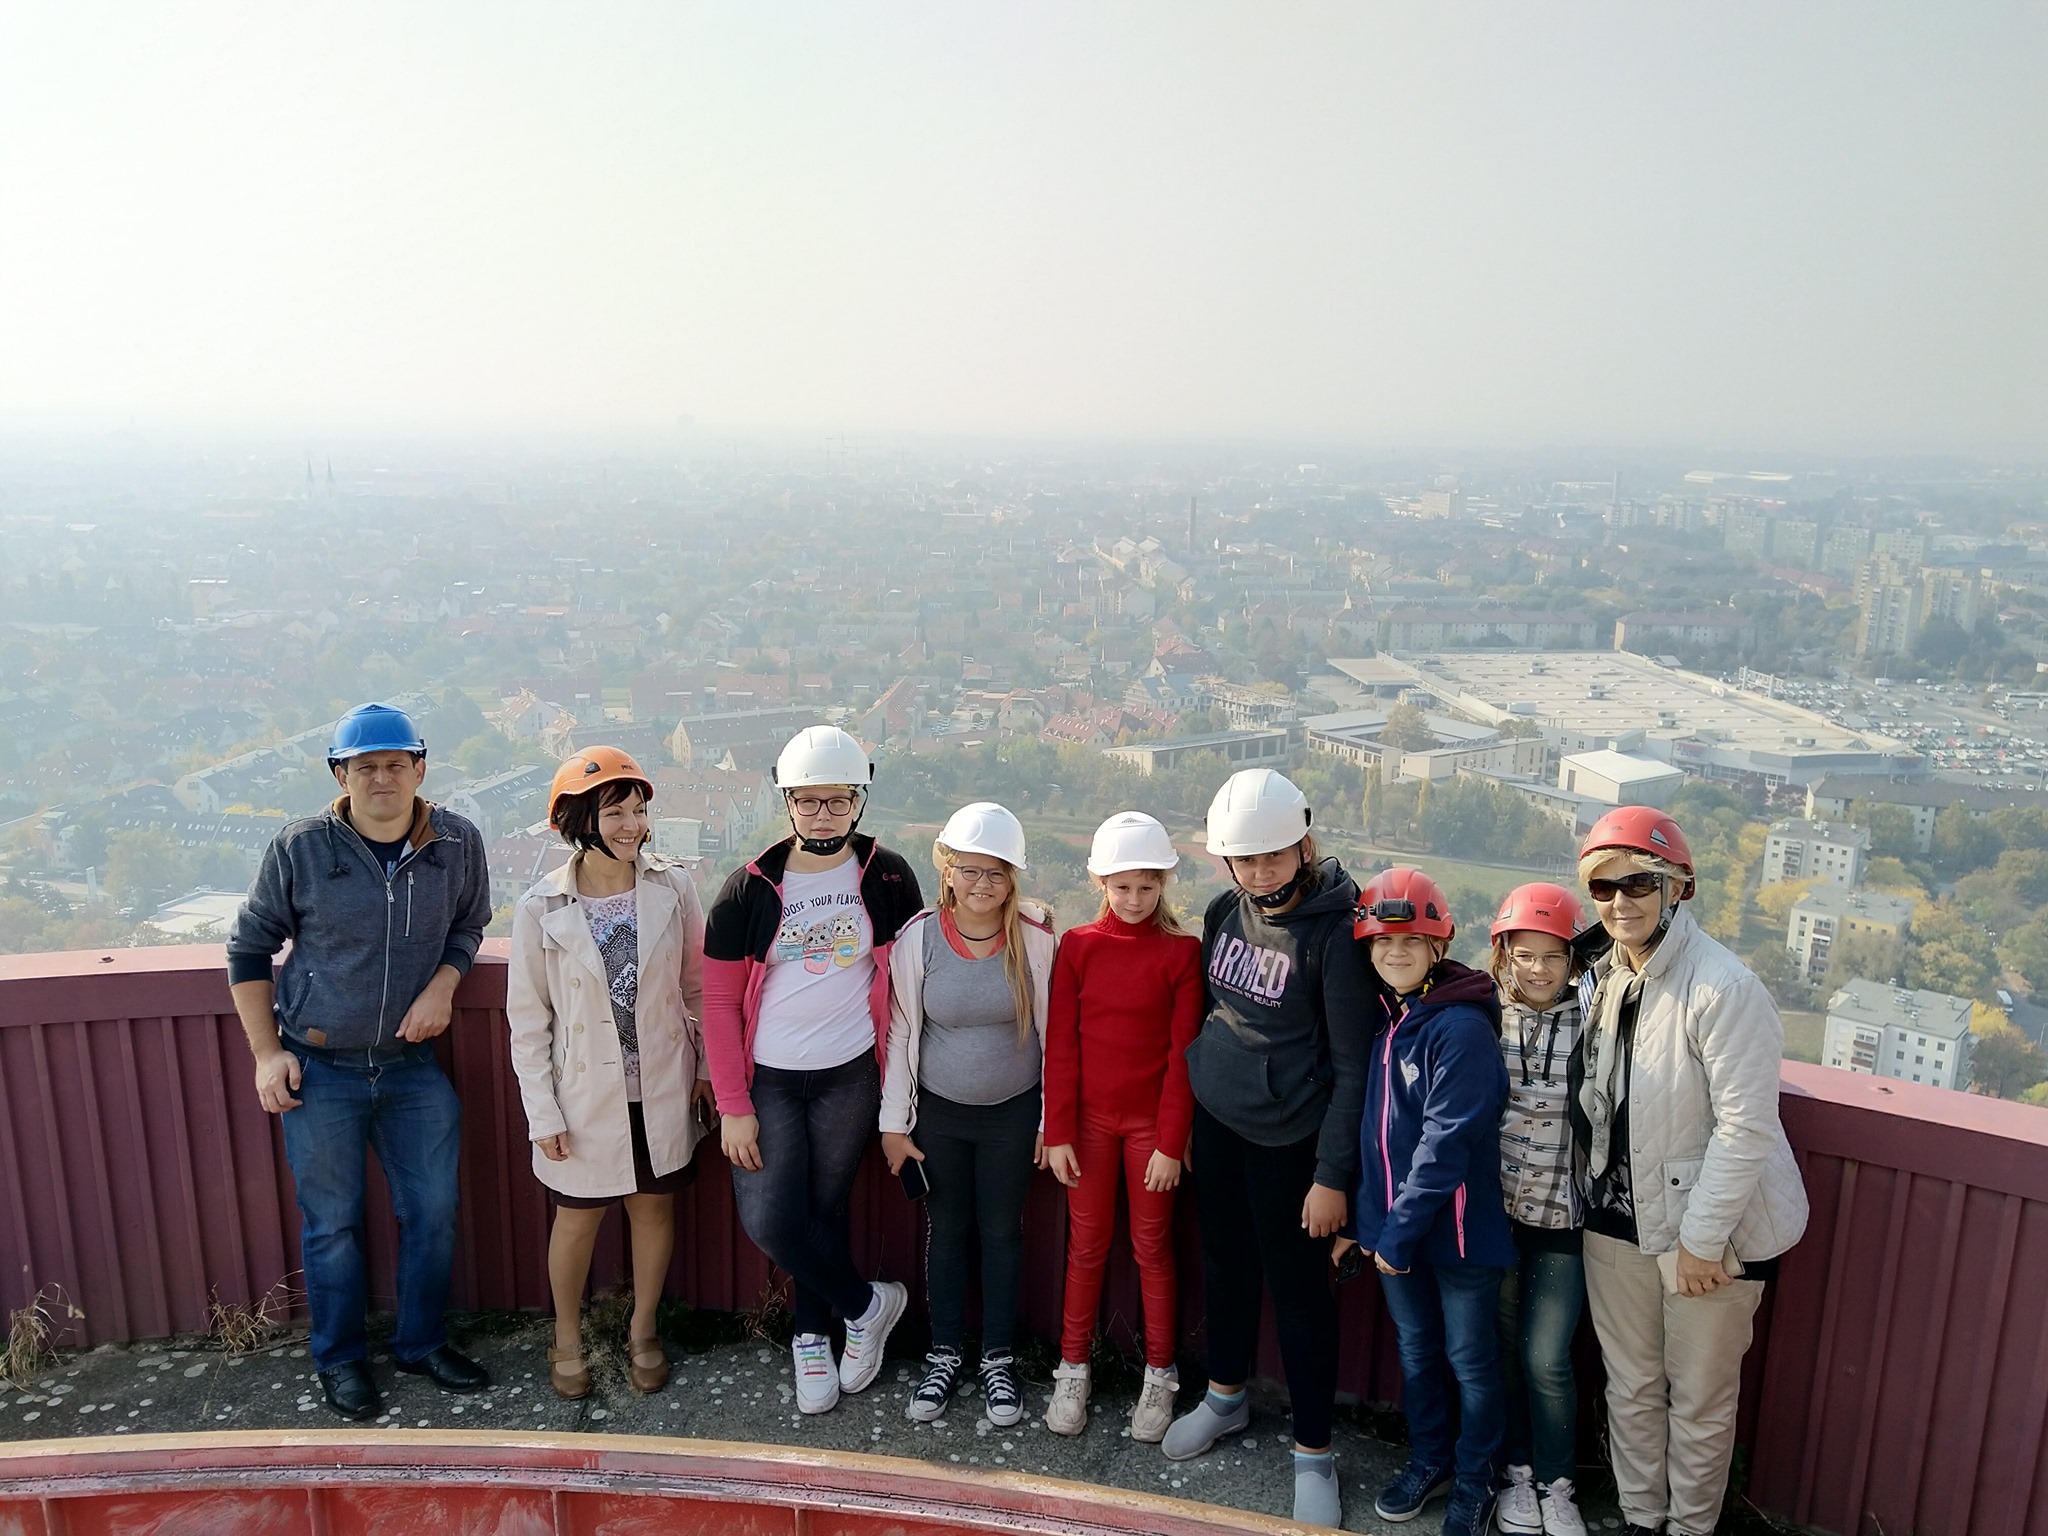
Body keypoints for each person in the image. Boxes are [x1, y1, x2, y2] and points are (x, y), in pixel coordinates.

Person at [225, 702, 493, 1421]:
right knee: (333, 1225)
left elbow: (470, 925)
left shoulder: (456, 843)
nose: (382, 778)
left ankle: (420, 1343)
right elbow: (248, 949)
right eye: (365, 766)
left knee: (433, 1212)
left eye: (395, 764)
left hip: (410, 1065)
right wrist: (266, 1054)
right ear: (340, 775)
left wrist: (444, 984)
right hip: (320, 1068)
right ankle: (340, 1361)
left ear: (419, 769)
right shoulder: (302, 848)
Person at [1571, 808, 1809, 1536]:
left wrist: (1702, 1241)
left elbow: (1746, 1128)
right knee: (1631, 1386)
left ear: (1677, 887)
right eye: (1603, 886)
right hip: (1616, 1218)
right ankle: (1642, 1518)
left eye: (1639, 883)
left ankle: (1690, 1528)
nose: (1620, 901)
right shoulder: (1604, 975)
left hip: (1707, 1234)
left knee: (1700, 1399)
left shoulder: (1725, 988)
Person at [1161, 768, 1372, 1530]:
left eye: (1273, 856)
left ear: (1305, 846)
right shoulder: (1226, 910)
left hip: (1291, 1140)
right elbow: (1216, 1014)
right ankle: (1225, 1397)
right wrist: (1193, 1117)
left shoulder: (1337, 936)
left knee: (1299, 1295)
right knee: (1224, 1265)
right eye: (1244, 859)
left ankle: (1314, 1453)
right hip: (1221, 1122)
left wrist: (1333, 1176)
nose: (1258, 872)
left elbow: (1353, 1067)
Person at [701, 726, 924, 1415]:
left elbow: (920, 960)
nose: (823, 814)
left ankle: (810, 1337)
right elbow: (717, 1004)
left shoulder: (888, 876)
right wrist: (733, 1105)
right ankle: (867, 1306)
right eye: (808, 800)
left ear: (858, 801)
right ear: (788, 802)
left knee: (821, 1212)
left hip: (848, 1075)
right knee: (772, 1219)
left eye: (837, 800)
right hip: (769, 1079)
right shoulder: (747, 889)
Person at [506, 748, 713, 1400]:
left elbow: (699, 988)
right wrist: (542, 1114)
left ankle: (643, 1331)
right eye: (616, 812)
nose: (633, 825)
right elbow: (528, 1023)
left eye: (639, 810)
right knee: (577, 1219)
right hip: (582, 1095)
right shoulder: (540, 906)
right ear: (579, 821)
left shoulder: (673, 887)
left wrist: (708, 1070)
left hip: (662, 1085)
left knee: (653, 1210)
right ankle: (566, 1338)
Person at [1342, 867, 1511, 1536]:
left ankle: (1475, 1479)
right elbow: (1375, 1137)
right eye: (1383, 942)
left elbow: (1447, 1144)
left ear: (1438, 945)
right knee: (1416, 1353)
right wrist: (1369, 1223)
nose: (1396, 952)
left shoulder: (1459, 1028)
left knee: (1469, 1361)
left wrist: (1397, 1232)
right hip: (1395, 1232)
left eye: (1411, 940)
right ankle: (1432, 1459)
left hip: (1458, 1235)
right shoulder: (1393, 1019)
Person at [880, 801, 1056, 1429]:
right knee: (948, 1231)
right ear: (948, 871)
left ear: (1013, 880)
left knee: (1002, 1232)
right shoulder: (919, 938)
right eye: (970, 870)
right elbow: (902, 1030)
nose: (983, 884)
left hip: (1013, 1113)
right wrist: (893, 1126)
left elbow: (1055, 1036)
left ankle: (998, 1358)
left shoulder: (1035, 939)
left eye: (997, 873)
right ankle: (945, 1354)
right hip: (940, 1115)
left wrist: (1049, 1122)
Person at [1041, 811, 1203, 1441]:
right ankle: (1072, 1370)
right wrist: (1058, 1131)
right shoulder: (1078, 946)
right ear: (1100, 883)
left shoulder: (1182, 953)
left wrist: (1170, 1142)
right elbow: (1063, 1045)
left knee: (1151, 1248)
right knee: (1085, 1247)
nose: (1135, 899)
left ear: (1164, 883)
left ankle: (1160, 1376)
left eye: (1147, 886)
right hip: (1086, 1126)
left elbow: (1182, 1056)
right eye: (1122, 886)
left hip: (1149, 1132)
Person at [1488, 883, 1592, 1536]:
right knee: (1503, 1348)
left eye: (1553, 956)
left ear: (1573, 961)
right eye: (1524, 955)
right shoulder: (1484, 1012)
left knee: (1547, 1359)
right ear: (1504, 954)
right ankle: (1516, 1474)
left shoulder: (1594, 1019)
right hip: (1497, 1213)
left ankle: (1558, 1484)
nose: (1538, 969)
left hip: (1562, 1214)